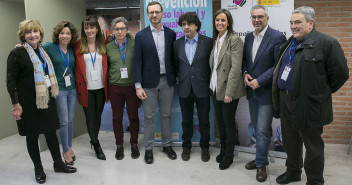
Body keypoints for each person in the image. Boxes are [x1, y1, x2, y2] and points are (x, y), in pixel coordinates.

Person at [272, 6, 349, 185]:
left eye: (298, 22)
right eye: (291, 22)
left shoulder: (327, 43)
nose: (293, 26)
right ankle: (293, 172)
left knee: (312, 146)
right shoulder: (289, 43)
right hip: (285, 100)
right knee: (290, 140)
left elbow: (341, 74)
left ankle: (314, 180)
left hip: (310, 103)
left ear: (311, 23)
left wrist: (319, 93)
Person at [6, 19, 76, 184]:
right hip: (28, 103)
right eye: (28, 32)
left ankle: (58, 163)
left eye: (35, 31)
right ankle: (38, 168)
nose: (32, 35)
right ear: (23, 35)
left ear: (40, 33)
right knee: (32, 136)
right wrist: (16, 104)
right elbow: (10, 81)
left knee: (51, 131)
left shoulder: (43, 51)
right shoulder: (17, 53)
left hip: (46, 100)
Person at [242, 5, 286, 182]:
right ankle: (261, 157)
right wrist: (244, 73)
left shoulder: (277, 37)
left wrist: (259, 81)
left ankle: (260, 165)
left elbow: (277, 65)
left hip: (266, 92)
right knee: (256, 126)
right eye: (253, 17)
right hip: (251, 92)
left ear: (267, 18)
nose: (256, 20)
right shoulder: (248, 37)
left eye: (260, 17)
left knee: (261, 130)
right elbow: (245, 60)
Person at [133, 1, 177, 164]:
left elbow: (174, 60)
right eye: (151, 12)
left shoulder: (171, 34)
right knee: (149, 117)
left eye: (157, 12)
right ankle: (149, 148)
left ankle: (167, 145)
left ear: (162, 13)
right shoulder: (141, 35)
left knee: (166, 115)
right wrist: (138, 86)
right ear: (147, 14)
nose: (154, 15)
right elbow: (137, 62)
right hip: (148, 84)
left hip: (168, 81)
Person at [173, 12, 213, 162]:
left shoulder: (208, 42)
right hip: (184, 87)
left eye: (189, 24)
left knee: (204, 120)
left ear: (196, 25)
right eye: (183, 24)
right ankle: (186, 147)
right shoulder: (177, 44)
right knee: (186, 120)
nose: (186, 27)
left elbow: (211, 65)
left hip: (202, 86)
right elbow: (177, 65)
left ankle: (205, 147)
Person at [209, 9, 246, 170]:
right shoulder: (216, 38)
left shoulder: (234, 39)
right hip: (215, 87)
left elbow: (235, 68)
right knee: (221, 122)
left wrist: (229, 92)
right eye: (217, 20)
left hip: (228, 89)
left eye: (223, 20)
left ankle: (229, 154)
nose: (220, 23)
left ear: (228, 22)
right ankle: (223, 149)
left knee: (228, 123)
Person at [43, 21, 78, 165]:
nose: (64, 36)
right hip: (60, 90)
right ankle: (65, 150)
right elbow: (33, 48)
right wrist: (21, 45)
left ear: (71, 35)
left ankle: (69, 146)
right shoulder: (49, 47)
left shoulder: (71, 49)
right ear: (57, 34)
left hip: (72, 89)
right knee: (63, 122)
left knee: (70, 120)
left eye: (67, 33)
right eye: (62, 33)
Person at [74, 16, 109, 160]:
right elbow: (58, 45)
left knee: (98, 116)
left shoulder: (104, 44)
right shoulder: (77, 45)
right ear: (83, 29)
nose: (89, 30)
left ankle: (93, 138)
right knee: (90, 117)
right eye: (86, 27)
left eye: (92, 27)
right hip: (86, 88)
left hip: (101, 87)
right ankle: (96, 144)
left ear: (97, 29)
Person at [106, 16, 140, 160]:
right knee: (116, 118)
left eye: (122, 28)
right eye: (116, 29)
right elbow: (106, 68)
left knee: (133, 117)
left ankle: (134, 144)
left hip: (132, 86)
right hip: (115, 87)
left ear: (127, 29)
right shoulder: (108, 48)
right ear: (112, 31)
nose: (119, 31)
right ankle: (119, 145)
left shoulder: (135, 44)